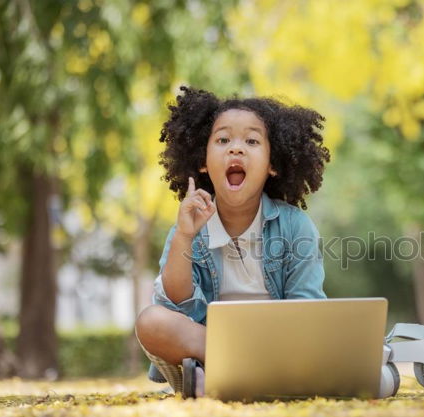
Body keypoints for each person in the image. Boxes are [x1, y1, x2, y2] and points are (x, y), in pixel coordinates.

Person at [135, 86, 330, 398]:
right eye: (223, 140)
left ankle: (227, 380)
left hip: (278, 348)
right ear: (202, 161)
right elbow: (174, 305)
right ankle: (233, 375)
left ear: (272, 164)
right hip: (208, 353)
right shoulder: (189, 227)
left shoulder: (295, 226)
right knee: (151, 321)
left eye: (251, 141)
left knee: (328, 338)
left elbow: (306, 308)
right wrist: (184, 235)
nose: (236, 149)